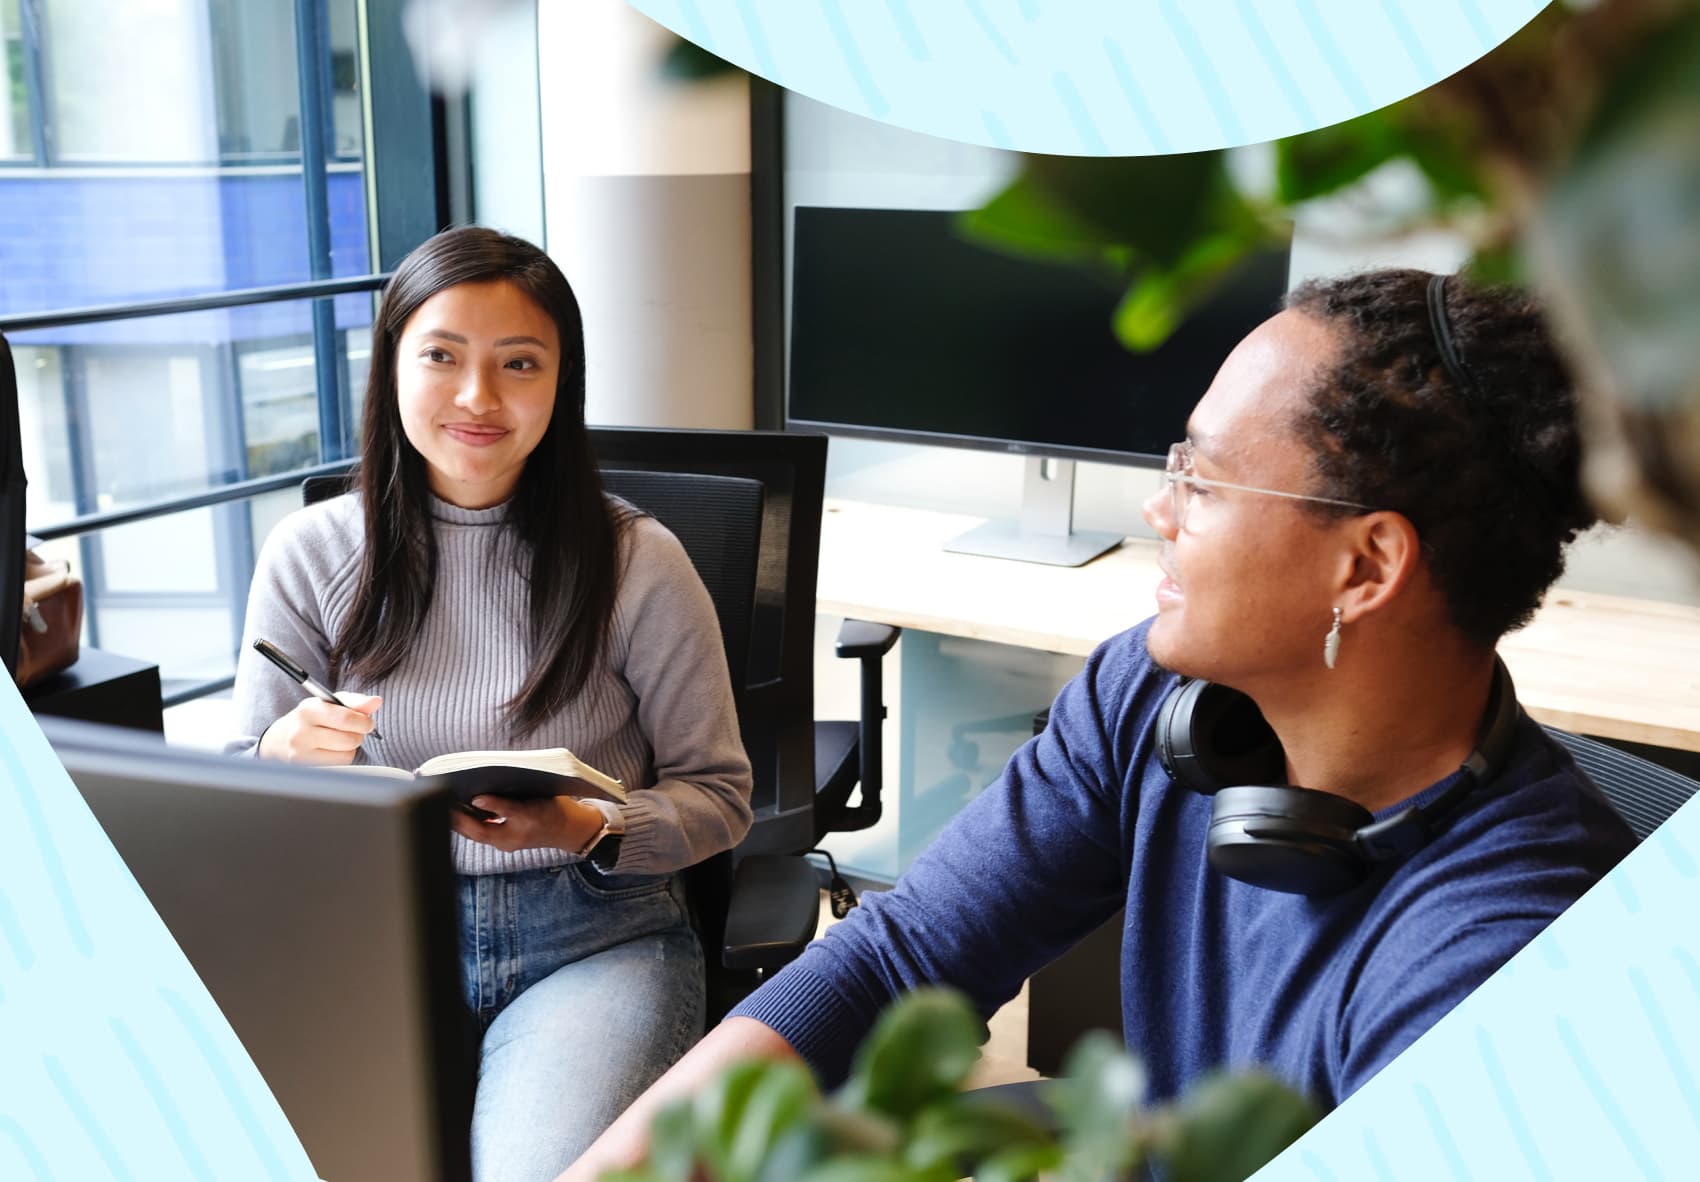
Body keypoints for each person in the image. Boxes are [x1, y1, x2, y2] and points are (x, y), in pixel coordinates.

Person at [558, 268, 1638, 1180]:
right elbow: (897, 960)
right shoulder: (1155, 699)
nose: (1155, 512)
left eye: (1200, 481)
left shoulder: (1505, 963)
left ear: (1363, 567)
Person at [228, 226, 754, 1182]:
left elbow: (719, 795)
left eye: (520, 363)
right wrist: (277, 758)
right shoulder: (308, 553)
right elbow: (232, 795)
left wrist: (586, 824)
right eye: (441, 356)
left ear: (563, 385)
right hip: (371, 939)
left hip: (593, 939)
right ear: (392, 365)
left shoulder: (639, 561)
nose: (478, 397)